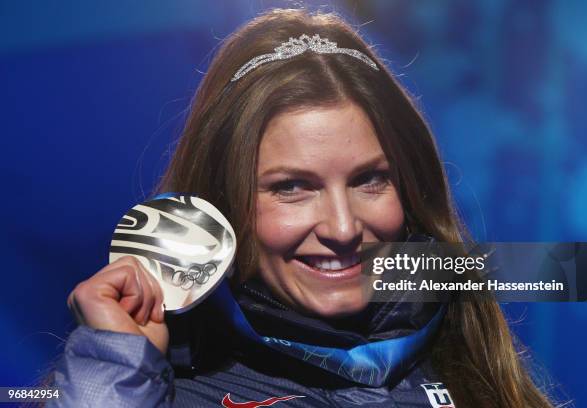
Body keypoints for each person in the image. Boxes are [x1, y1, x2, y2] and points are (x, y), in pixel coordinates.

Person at [50, 9, 556, 408]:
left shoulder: (468, 342)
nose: (342, 227)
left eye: (370, 179)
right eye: (292, 187)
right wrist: (115, 369)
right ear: (220, 203)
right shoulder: (148, 380)